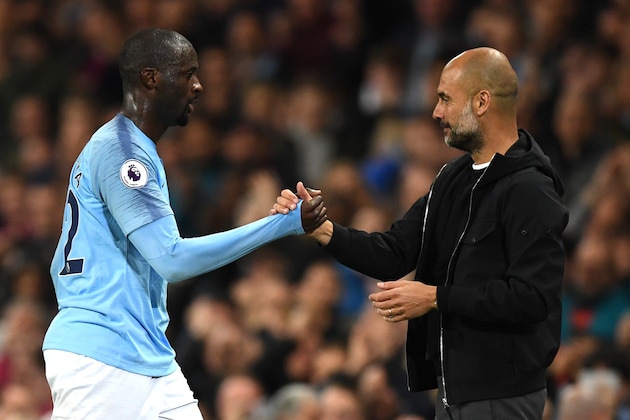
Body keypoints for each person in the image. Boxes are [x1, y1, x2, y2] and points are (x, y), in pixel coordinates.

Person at [42, 28, 327, 420]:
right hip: (102, 355)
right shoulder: (123, 155)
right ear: (151, 79)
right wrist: (281, 224)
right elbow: (172, 260)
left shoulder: (132, 147)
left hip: (145, 352)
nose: (198, 86)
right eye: (187, 73)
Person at [273, 47, 569, 419]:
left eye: (445, 98)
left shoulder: (530, 189)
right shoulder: (452, 178)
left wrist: (435, 298)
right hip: (451, 392)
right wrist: (322, 229)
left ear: (481, 102)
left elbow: (531, 298)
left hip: (501, 396)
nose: (436, 112)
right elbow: (394, 252)